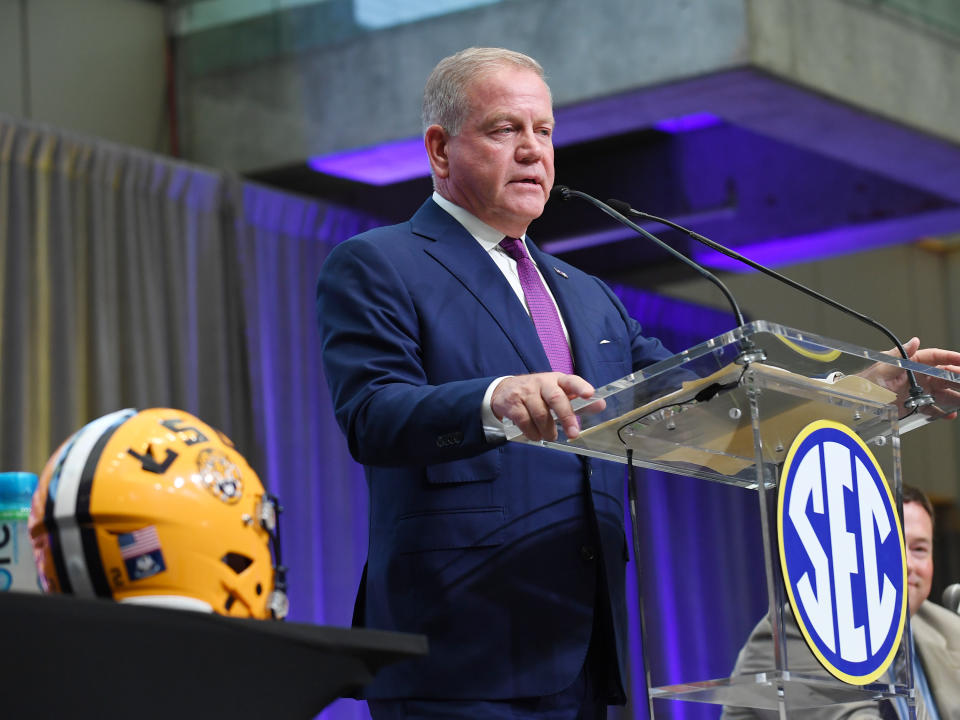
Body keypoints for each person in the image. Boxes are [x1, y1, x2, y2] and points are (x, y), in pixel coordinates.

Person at [316, 47, 960, 719]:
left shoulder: (587, 295)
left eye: (544, 131)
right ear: (440, 149)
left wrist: (864, 392)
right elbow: (372, 413)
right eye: (507, 129)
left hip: (583, 650)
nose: (534, 151)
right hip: (459, 648)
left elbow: (713, 407)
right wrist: (493, 397)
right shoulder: (378, 264)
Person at [721, 485, 960, 720]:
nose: (906, 564)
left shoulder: (949, 629)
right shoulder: (799, 632)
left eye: (919, 549)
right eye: (887, 544)